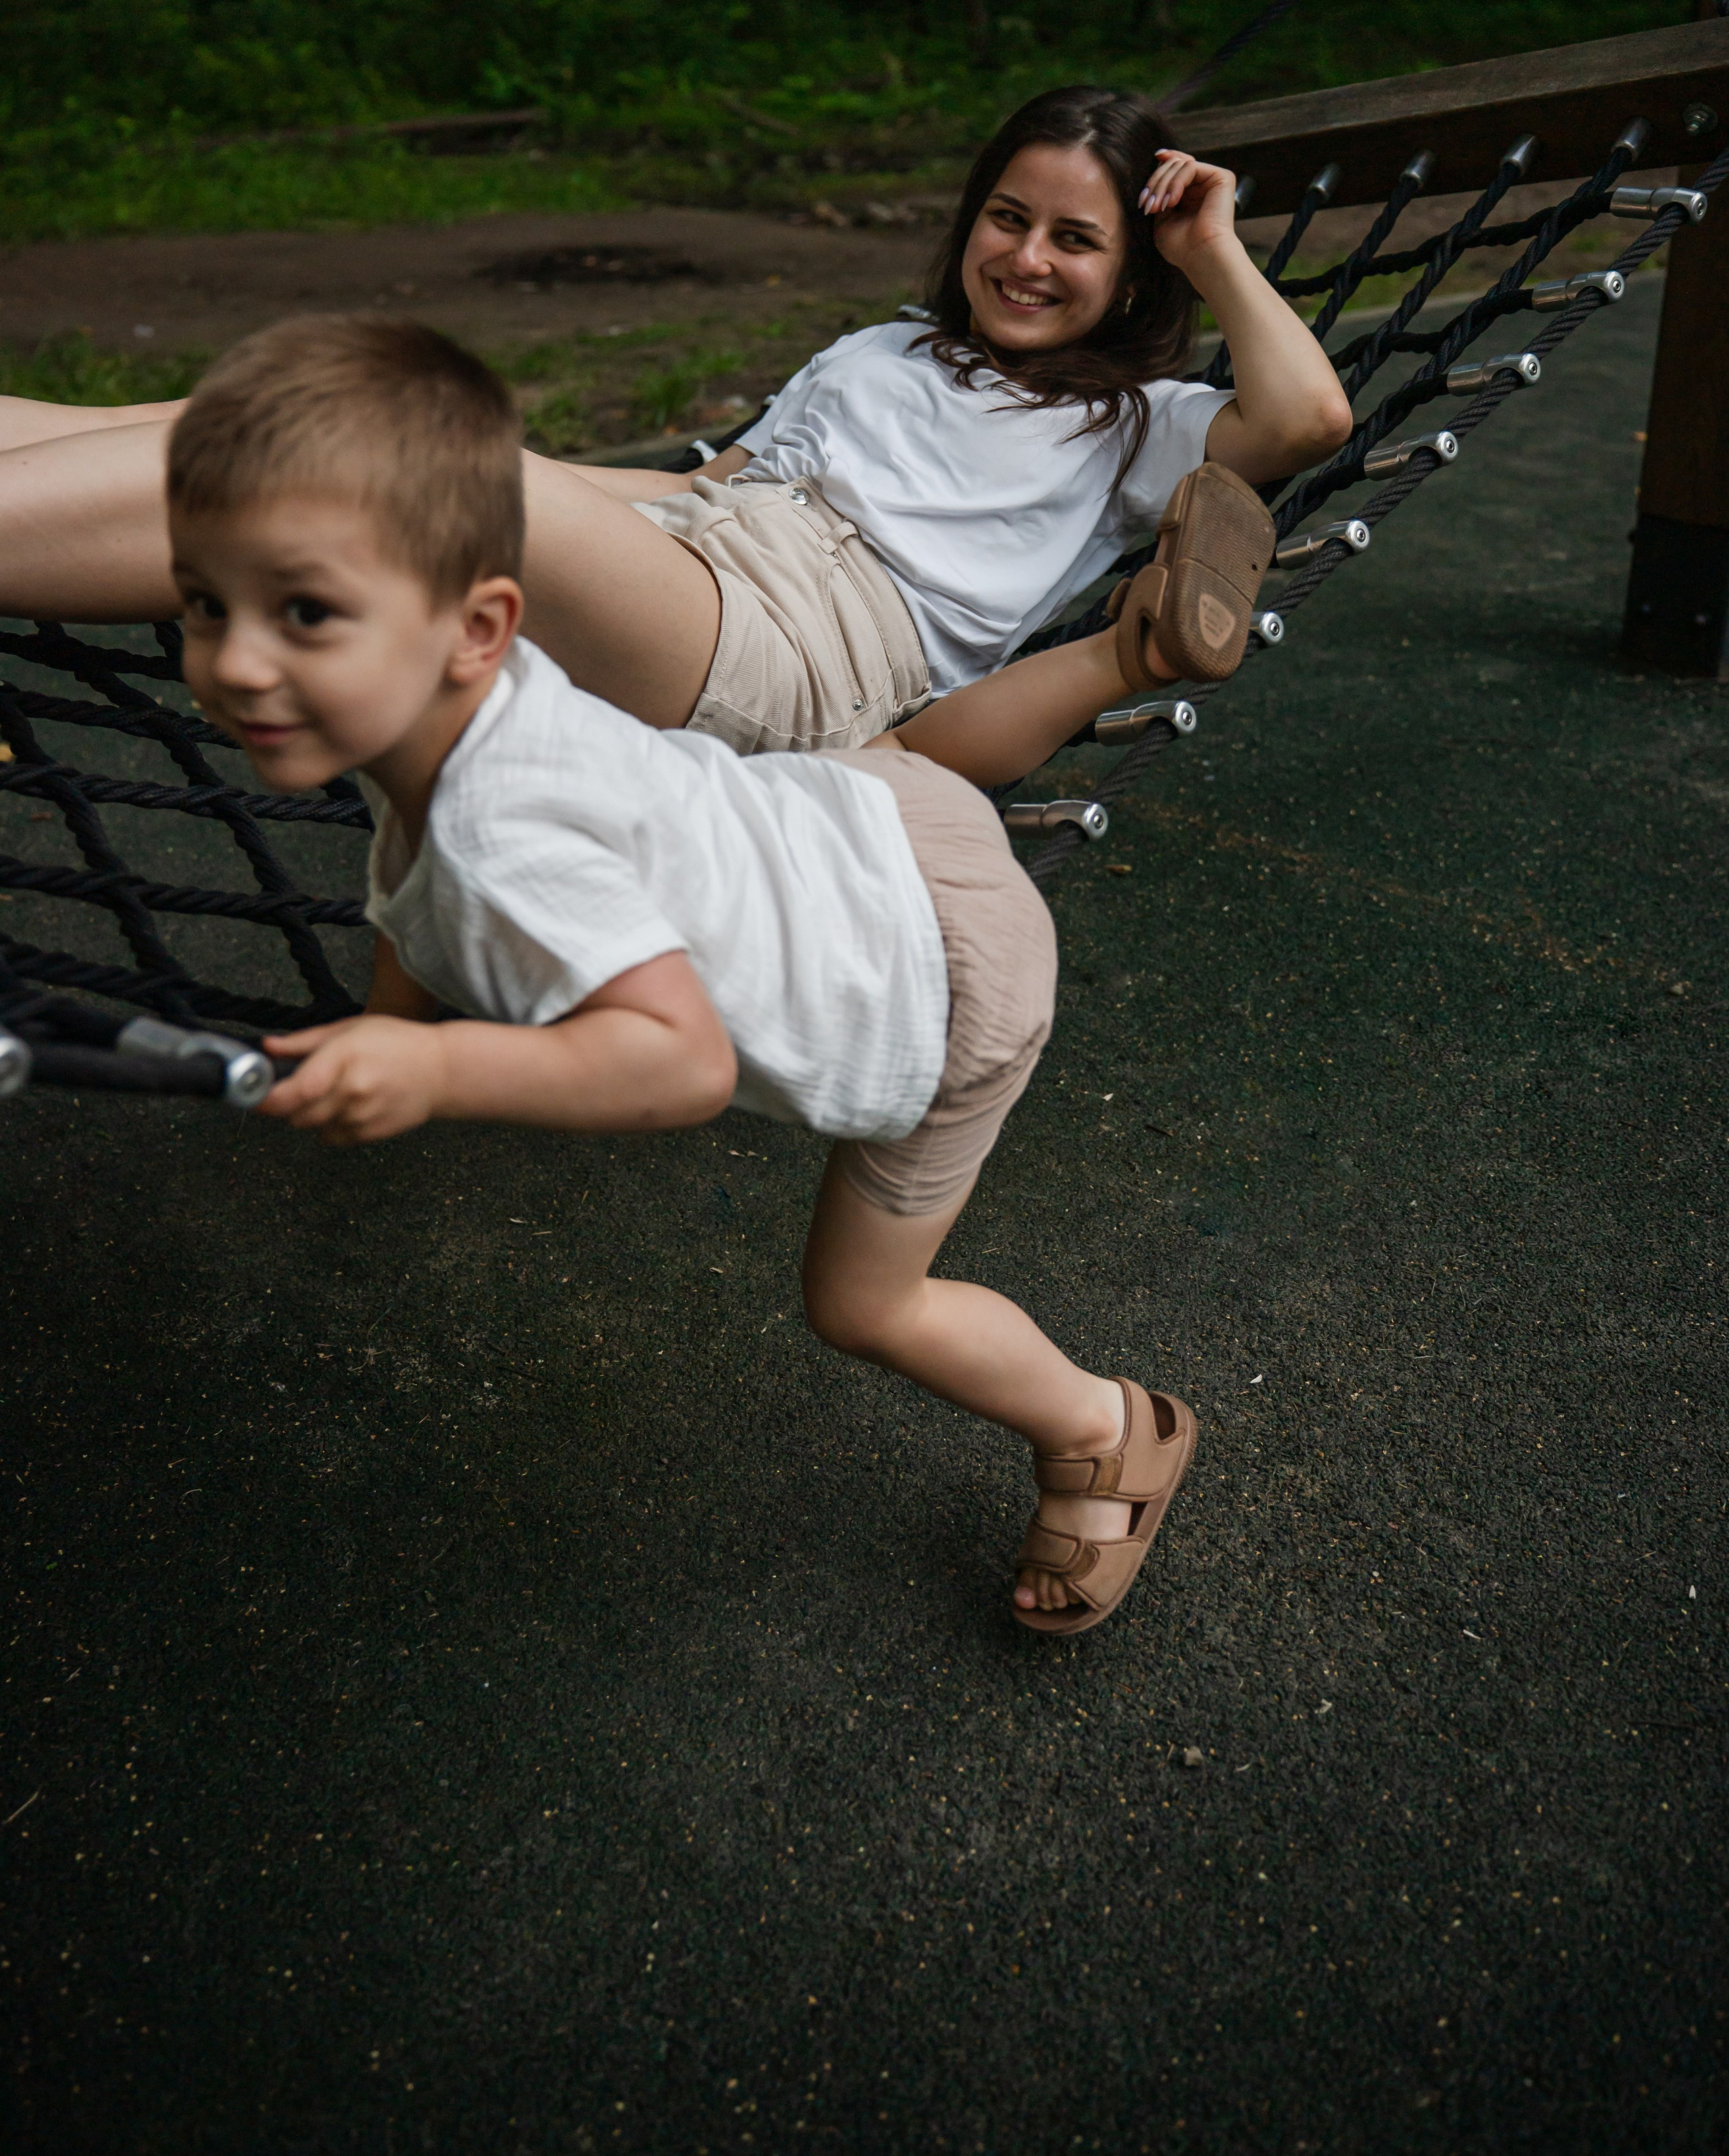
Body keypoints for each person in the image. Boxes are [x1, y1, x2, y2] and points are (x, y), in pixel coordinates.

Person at [163, 312, 1196, 1634]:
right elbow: (406, 863)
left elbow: (678, 1063)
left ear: (477, 626)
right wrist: (386, 1024)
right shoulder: (430, 700)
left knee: (863, 1304)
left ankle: (1107, 1428)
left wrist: (431, 1064)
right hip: (863, 804)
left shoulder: (508, 834)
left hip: (947, 980)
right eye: (204, 606)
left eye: (302, 613)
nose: (237, 662)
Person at [0, 87, 1349, 788]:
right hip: (695, 558)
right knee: (287, 405)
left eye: (1076, 239)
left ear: (1131, 274)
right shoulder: (887, 349)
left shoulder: (1129, 428)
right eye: (1008, 216)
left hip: (803, 657)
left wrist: (1209, 244)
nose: (1027, 258)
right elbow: (703, 485)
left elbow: (1305, 419)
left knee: (374, 449)